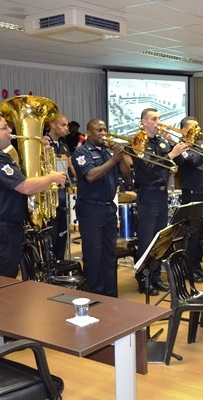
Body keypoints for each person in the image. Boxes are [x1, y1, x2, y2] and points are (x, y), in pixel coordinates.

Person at [0, 112, 67, 277]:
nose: (10, 130)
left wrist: (39, 151)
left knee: (7, 276)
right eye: (5, 127)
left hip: (0, 227)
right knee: (3, 280)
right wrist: (52, 177)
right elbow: (25, 186)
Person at [72, 119, 132, 296]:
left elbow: (127, 172)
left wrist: (121, 156)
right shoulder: (81, 153)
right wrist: (113, 160)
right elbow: (90, 176)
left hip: (108, 209)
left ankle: (111, 295)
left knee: (109, 255)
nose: (103, 133)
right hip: (91, 210)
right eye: (99, 130)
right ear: (89, 133)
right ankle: (95, 295)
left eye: (105, 129)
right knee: (93, 256)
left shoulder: (107, 152)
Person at [133, 108, 186, 295]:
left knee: (159, 240)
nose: (159, 122)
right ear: (144, 122)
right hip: (148, 195)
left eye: (159, 119)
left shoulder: (162, 142)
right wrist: (170, 155)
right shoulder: (138, 142)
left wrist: (174, 146)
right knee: (147, 240)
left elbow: (178, 164)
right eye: (154, 119)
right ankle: (143, 278)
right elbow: (147, 167)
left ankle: (155, 277)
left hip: (162, 195)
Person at [177, 116, 203, 282]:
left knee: (202, 233)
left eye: (198, 126)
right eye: (194, 127)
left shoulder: (200, 144)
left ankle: (197, 266)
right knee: (192, 234)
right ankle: (188, 269)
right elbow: (194, 162)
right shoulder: (182, 146)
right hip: (193, 194)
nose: (198, 130)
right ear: (184, 129)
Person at [44, 114, 75, 261]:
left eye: (67, 125)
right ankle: (50, 263)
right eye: (63, 125)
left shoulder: (63, 145)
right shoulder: (44, 143)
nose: (66, 128)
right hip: (50, 194)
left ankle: (60, 261)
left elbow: (69, 164)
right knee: (52, 232)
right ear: (53, 125)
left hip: (63, 192)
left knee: (63, 231)